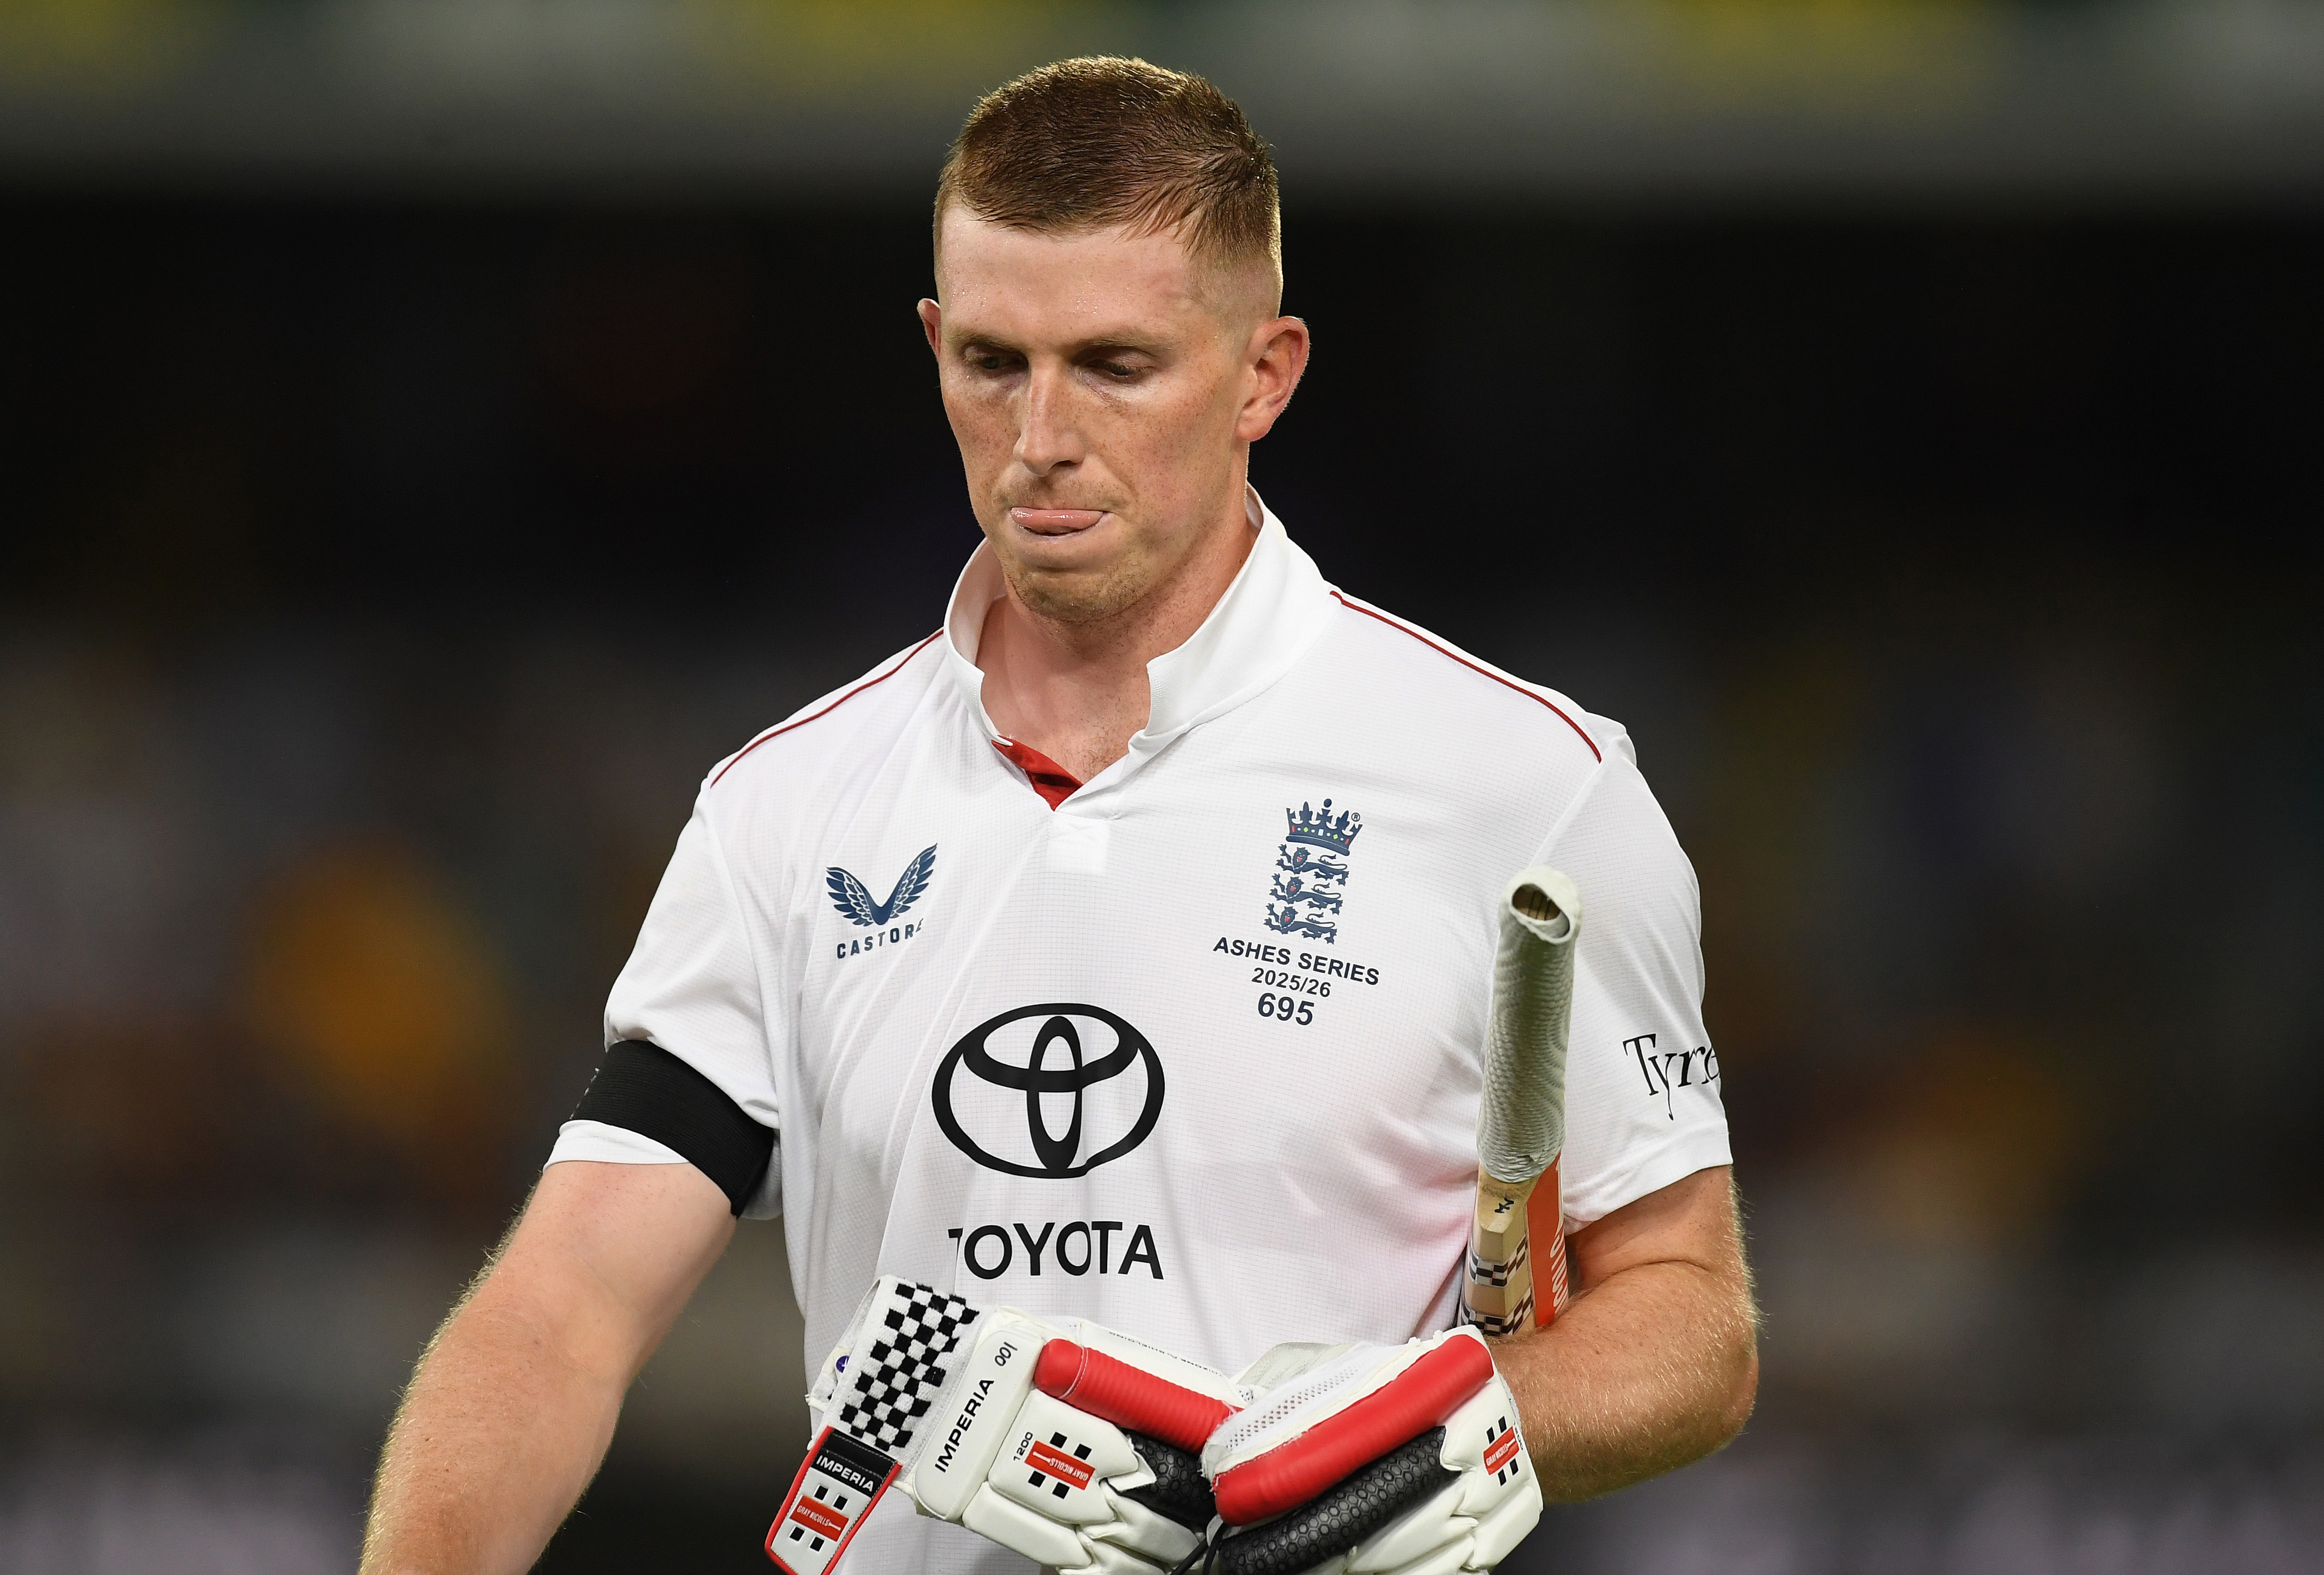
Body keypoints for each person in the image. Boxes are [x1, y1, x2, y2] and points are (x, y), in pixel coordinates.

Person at [360, 56, 1757, 1575]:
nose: (1040, 436)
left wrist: (1446, 1421)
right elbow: (563, 1305)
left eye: (1114, 363)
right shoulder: (788, 809)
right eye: (991, 361)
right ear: (932, 346)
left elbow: (1691, 1318)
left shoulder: (1527, 784)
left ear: (1265, 374)